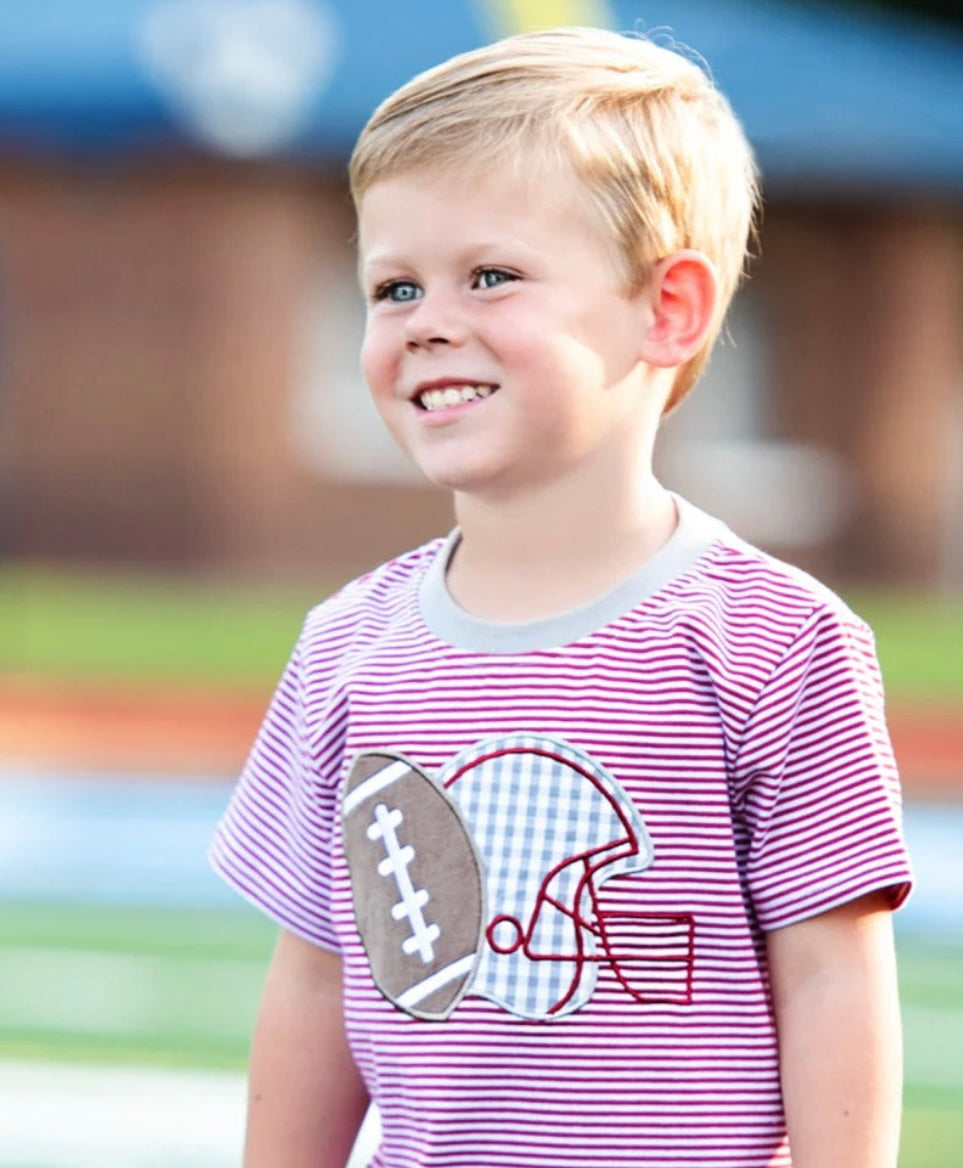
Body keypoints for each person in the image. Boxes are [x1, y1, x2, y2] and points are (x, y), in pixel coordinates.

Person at [210, 25, 913, 1168]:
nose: (428, 318)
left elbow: (833, 968)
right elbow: (317, 971)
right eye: (393, 287)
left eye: (490, 275)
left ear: (667, 311)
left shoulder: (777, 643)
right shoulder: (347, 645)